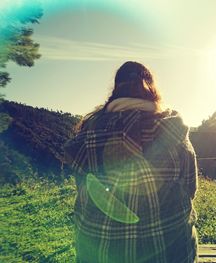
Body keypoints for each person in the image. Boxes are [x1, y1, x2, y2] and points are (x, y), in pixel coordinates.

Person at [64, 61, 198, 263]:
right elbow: (191, 188)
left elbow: (83, 191)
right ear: (151, 89)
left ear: (116, 90)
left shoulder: (87, 134)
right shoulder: (173, 129)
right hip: (170, 254)